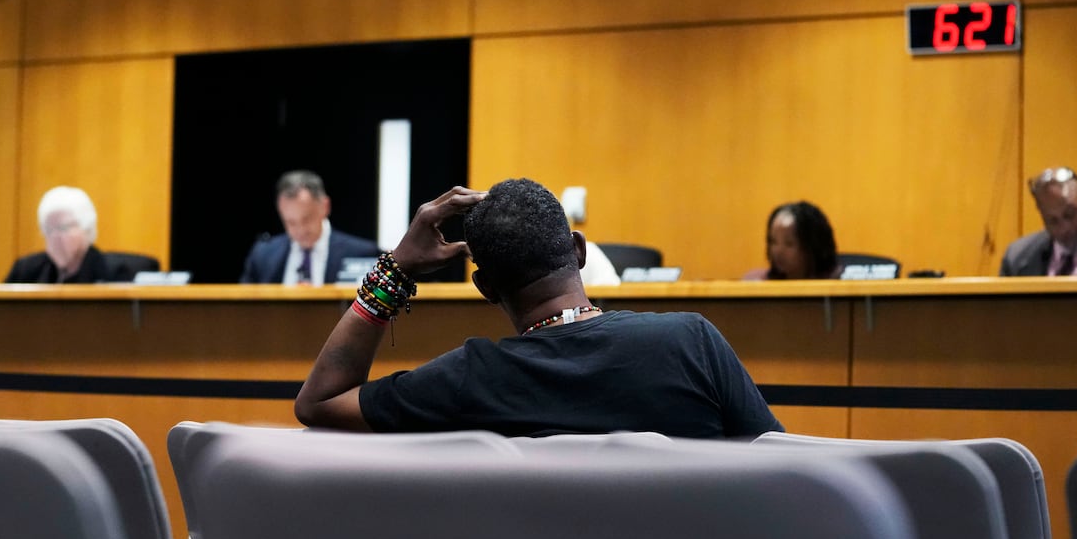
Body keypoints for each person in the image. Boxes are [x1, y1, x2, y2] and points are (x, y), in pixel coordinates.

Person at [295, 178, 783, 438]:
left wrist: (396, 270)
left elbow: (316, 404)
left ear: (485, 288)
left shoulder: (470, 379)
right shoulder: (690, 342)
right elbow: (781, 466)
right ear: (579, 250)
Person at [239, 170, 381, 284]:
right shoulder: (263, 255)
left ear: (325, 206)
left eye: (306, 219)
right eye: (290, 222)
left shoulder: (363, 254)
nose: (300, 230)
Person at [4, 186, 138, 284]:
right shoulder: (26, 271)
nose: (55, 237)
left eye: (63, 228)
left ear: (87, 229)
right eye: (48, 229)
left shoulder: (116, 273)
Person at [743, 201, 841, 280]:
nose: (778, 251)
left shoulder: (837, 283)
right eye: (773, 242)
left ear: (813, 245)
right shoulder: (757, 281)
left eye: (789, 243)